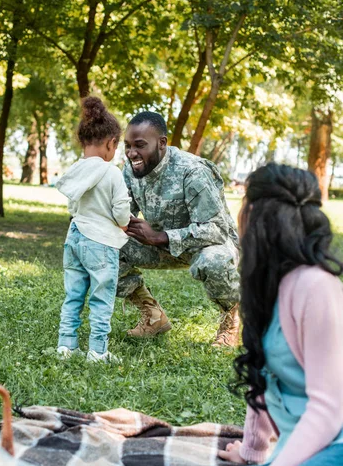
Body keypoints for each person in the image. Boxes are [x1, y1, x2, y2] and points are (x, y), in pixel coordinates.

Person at [162, 163, 343, 466]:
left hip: (336, 456)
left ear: (256, 215)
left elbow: (330, 408)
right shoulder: (267, 284)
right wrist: (252, 454)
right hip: (304, 463)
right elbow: (266, 378)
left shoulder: (317, 286)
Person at [119, 112, 240, 346]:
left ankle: (232, 319)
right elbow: (124, 212)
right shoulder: (131, 169)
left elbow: (216, 230)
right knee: (101, 248)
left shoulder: (192, 170)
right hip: (160, 244)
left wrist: (159, 237)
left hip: (208, 245)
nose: (132, 153)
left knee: (213, 262)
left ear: (162, 143)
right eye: (128, 146)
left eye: (140, 145)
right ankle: (153, 316)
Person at [56, 97, 131, 363]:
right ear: (111, 143)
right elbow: (121, 208)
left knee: (73, 295)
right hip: (100, 243)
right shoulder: (112, 173)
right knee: (101, 299)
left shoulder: (75, 170)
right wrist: (124, 223)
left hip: (74, 237)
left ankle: (66, 346)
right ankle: (97, 352)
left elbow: (72, 204)